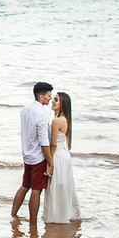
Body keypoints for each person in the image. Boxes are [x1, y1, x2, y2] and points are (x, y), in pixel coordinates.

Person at [11, 82, 53, 225]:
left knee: (24, 186)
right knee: (36, 190)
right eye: (48, 95)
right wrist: (50, 162)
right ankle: (33, 224)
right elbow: (44, 142)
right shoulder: (41, 114)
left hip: (27, 155)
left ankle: (13, 215)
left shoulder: (26, 110)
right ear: (41, 96)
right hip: (38, 157)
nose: (50, 98)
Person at [44, 91, 81, 223]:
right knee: (64, 186)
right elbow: (68, 144)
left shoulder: (56, 121)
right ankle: (65, 213)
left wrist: (49, 163)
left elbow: (53, 144)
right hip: (65, 155)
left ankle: (56, 216)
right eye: (53, 99)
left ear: (62, 104)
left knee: (55, 186)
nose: (53, 101)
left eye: (56, 100)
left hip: (57, 156)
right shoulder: (67, 119)